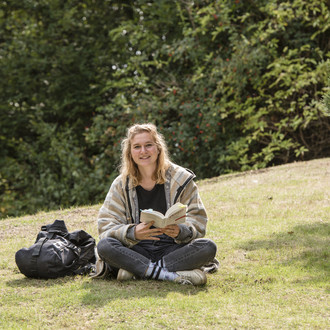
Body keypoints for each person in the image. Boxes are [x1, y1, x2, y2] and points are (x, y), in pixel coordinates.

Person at [96, 123, 217, 285]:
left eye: (148, 145)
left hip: (172, 249)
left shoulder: (181, 179)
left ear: (158, 148)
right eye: (137, 147)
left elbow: (198, 221)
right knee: (104, 246)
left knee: (208, 247)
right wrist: (132, 233)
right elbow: (106, 227)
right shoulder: (121, 184)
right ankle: (170, 274)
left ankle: (137, 270)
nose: (143, 151)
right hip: (136, 250)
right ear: (130, 153)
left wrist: (180, 231)